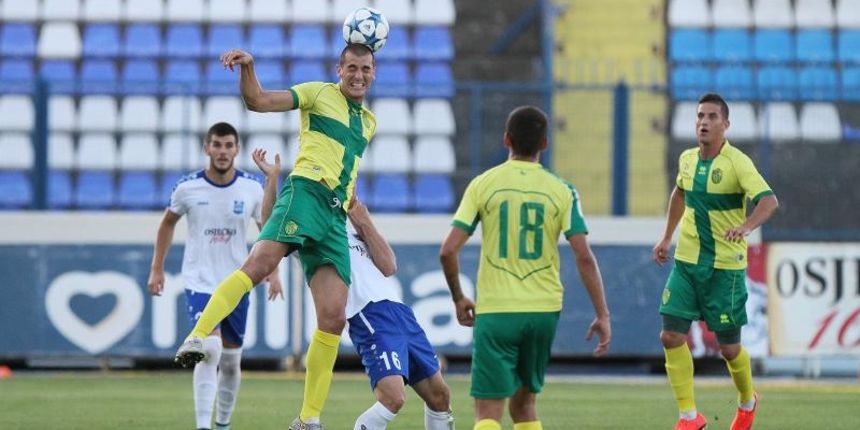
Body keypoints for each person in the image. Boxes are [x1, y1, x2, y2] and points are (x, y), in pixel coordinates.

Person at [174, 43, 377, 430]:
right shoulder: (318, 93)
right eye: (352, 67)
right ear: (339, 69)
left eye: (365, 69)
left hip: (335, 214)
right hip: (305, 193)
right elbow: (259, 101)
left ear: (373, 73)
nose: (358, 75)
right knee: (259, 265)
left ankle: (308, 418)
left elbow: (347, 169)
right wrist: (249, 68)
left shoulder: (368, 121)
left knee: (333, 318)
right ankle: (198, 335)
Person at [439, 106, 612, 430]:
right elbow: (584, 256)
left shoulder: (483, 184)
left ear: (506, 139)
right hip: (543, 310)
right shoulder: (563, 190)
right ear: (545, 143)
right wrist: (602, 314)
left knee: (488, 412)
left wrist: (459, 297)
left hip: (497, 311)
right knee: (525, 406)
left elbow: (448, 250)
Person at [653, 93, 778, 430]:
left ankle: (748, 401)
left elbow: (769, 201)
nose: (704, 122)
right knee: (670, 335)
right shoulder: (687, 160)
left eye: (711, 117)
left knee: (729, 348)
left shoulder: (738, 163)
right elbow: (680, 193)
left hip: (725, 269)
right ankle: (689, 417)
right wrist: (666, 237)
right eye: (700, 116)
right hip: (687, 263)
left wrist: (746, 226)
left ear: (726, 124)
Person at [147, 122, 284, 430]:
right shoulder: (187, 188)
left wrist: (274, 272)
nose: (222, 151)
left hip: (237, 282)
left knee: (231, 363)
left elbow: (268, 230)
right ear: (206, 148)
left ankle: (223, 423)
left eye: (228, 145)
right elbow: (167, 223)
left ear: (237, 149)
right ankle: (203, 426)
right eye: (217, 145)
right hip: (200, 280)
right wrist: (157, 268)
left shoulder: (251, 187)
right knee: (209, 349)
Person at [344, 198, 456, 430]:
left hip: (399, 311)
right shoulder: (315, 227)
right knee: (392, 397)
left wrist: (363, 221)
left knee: (440, 396)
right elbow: (272, 229)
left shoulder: (355, 226)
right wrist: (274, 181)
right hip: (367, 311)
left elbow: (389, 266)